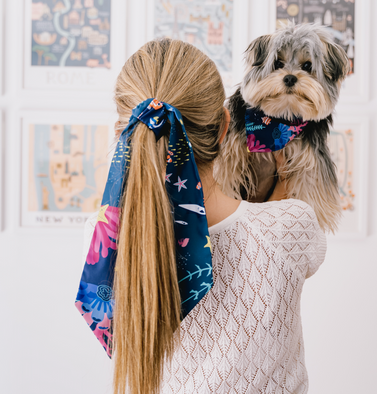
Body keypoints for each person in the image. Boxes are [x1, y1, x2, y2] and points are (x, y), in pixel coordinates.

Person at [79, 39, 326, 394]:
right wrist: (282, 176)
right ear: (226, 125)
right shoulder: (289, 226)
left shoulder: (101, 238)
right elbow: (280, 240)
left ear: (123, 132)